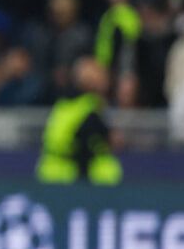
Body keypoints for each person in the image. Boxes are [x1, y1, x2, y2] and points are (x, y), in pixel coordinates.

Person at [36, 57, 122, 185]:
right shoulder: (88, 109)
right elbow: (86, 149)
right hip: (68, 179)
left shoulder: (62, 104)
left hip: (48, 172)